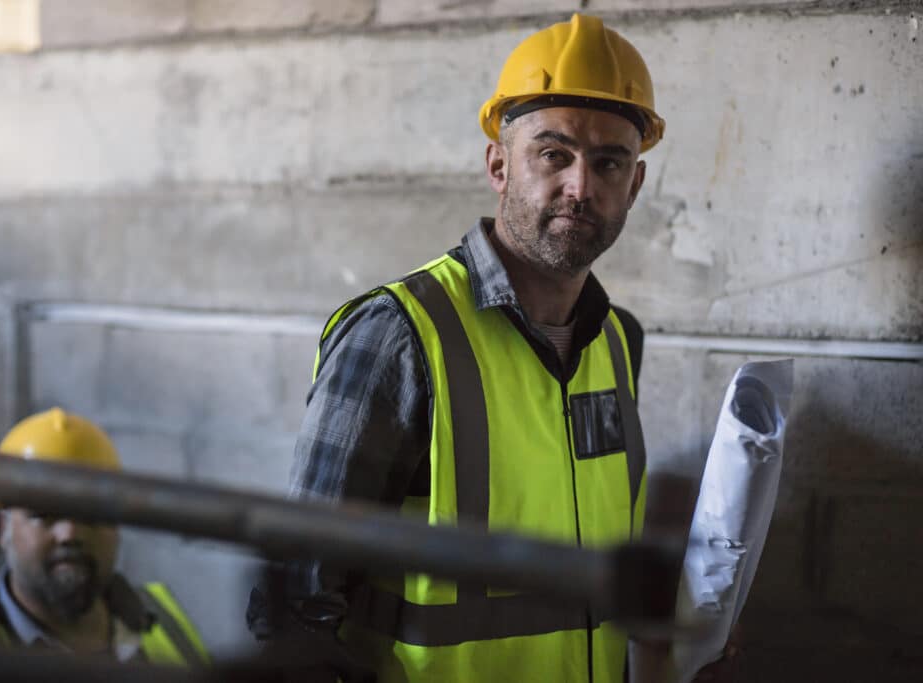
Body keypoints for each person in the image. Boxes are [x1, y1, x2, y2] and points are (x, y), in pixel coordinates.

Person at [252, 13, 735, 682]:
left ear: (636, 184)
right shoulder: (398, 334)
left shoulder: (619, 341)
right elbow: (294, 604)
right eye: (553, 153)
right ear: (499, 164)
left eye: (609, 162)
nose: (580, 186)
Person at [0, 408, 210, 667]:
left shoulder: (162, 615)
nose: (69, 533)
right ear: (4, 527)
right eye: (43, 514)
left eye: (91, 513)